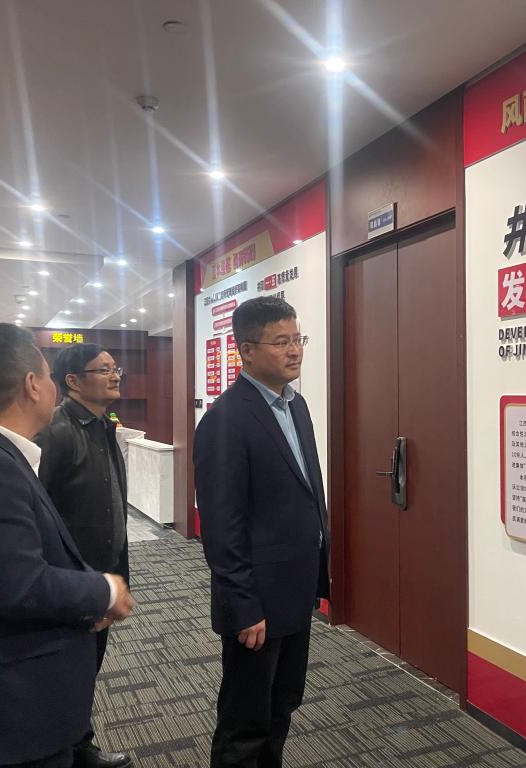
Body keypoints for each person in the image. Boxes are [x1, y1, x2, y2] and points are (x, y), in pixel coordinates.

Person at [0, 322, 135, 768]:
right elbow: (20, 586)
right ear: (33, 384)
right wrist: (104, 589)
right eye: (49, 377)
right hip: (2, 714)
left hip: (8, 701)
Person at [194, 296, 330, 768]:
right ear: (246, 351)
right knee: (245, 721)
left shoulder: (297, 407)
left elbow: (307, 493)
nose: (294, 350)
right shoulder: (225, 420)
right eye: (280, 342)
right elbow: (222, 526)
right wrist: (244, 605)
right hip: (256, 601)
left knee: (282, 705)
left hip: (294, 590)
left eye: (297, 339)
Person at [35, 344, 132, 768]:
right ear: (72, 381)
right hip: (71, 583)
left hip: (98, 579)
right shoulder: (56, 432)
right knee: (66, 672)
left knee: (85, 668)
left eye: (115, 368)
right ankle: (68, 750)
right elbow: (37, 515)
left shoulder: (101, 426)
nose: (115, 376)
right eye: (103, 370)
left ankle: (77, 745)